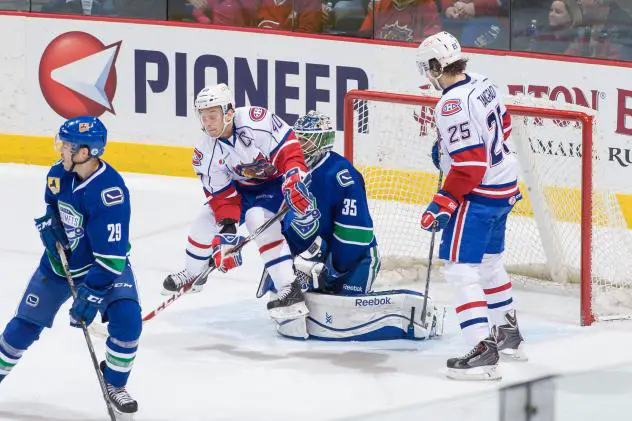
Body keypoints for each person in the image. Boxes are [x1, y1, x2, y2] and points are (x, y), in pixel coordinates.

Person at [258, 110, 444, 341]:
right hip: (313, 258)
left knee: (346, 312)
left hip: (356, 261)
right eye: (298, 138)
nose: (300, 145)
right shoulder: (289, 170)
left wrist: (332, 271)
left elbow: (355, 235)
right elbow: (284, 221)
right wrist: (285, 262)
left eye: (307, 139)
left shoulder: (342, 175)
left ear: (323, 141)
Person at [0, 117, 142, 415]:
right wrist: (50, 223)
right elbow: (52, 204)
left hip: (100, 269)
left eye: (68, 145)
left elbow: (111, 258)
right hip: (58, 266)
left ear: (87, 152)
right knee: (22, 327)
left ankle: (114, 383)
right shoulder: (58, 173)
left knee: (128, 320)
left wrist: (91, 295)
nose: (61, 149)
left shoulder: (109, 194)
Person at [415, 31, 526, 380]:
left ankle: (483, 350)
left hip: (479, 195)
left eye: (427, 68)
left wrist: (442, 202)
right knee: (490, 263)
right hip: (505, 184)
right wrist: (448, 152)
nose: (427, 77)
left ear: (436, 65)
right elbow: (503, 128)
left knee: (461, 270)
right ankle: (508, 337)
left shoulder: (450, 105)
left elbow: (470, 167)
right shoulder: (482, 82)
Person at [162, 83, 314, 322]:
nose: (207, 123)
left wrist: (294, 177)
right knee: (205, 220)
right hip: (242, 191)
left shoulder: (257, 121)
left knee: (256, 218)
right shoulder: (205, 152)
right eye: (203, 117)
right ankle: (194, 274)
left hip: (274, 186)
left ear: (229, 112)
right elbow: (222, 197)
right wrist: (227, 236)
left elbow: (287, 149)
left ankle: (289, 288)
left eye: (212, 116)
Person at [358, 0, 442, 42]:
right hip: (377, 58)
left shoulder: (427, 6)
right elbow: (362, 38)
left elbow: (429, 44)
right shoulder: (378, 4)